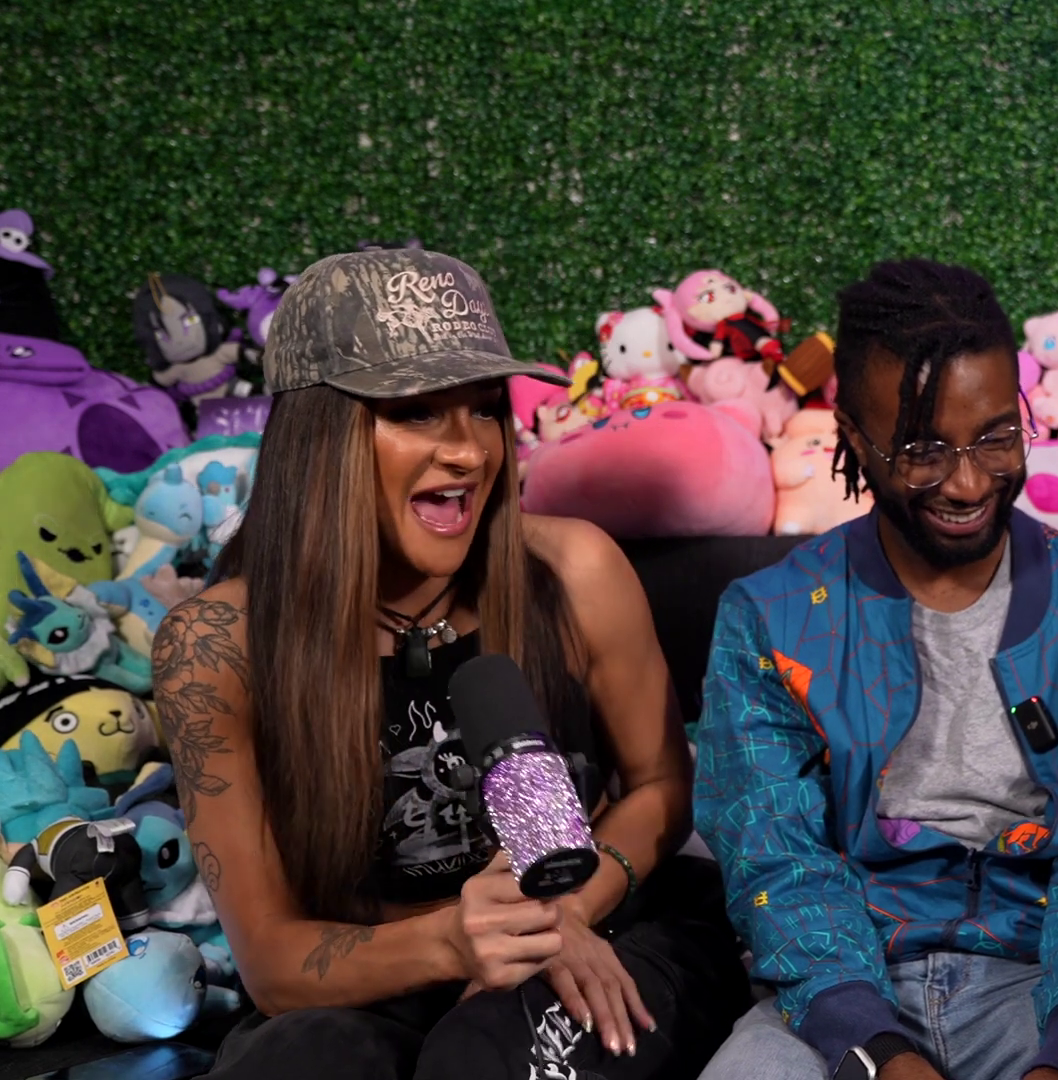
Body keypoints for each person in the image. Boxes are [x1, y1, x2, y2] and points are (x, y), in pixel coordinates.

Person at [151, 248, 748, 1080]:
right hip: (379, 973)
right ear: (318, 440)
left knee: (484, 1059)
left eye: (484, 409)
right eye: (419, 412)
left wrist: (562, 914)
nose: (469, 452)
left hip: (608, 927)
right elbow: (274, 963)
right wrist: (454, 942)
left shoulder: (576, 570)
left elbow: (661, 786)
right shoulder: (215, 645)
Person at [692, 259, 1058, 1080]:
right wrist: (875, 1049)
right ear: (853, 437)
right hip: (845, 984)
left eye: (997, 436)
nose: (969, 482)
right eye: (922, 449)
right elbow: (775, 855)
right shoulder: (772, 616)